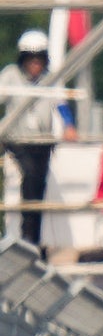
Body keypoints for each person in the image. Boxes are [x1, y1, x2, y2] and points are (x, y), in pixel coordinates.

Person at [1, 31, 59, 246]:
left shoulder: (50, 78)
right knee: (31, 176)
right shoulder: (10, 75)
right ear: (22, 59)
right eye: (31, 60)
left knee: (39, 188)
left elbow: (61, 103)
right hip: (18, 141)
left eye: (39, 60)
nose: (35, 65)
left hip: (42, 143)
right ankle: (25, 236)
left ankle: (34, 239)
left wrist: (70, 126)